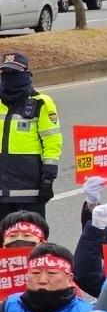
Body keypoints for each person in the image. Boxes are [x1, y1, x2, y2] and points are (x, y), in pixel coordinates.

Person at [0, 54, 60, 218]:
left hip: (29, 189)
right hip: (1, 191)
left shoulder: (41, 102)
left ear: (26, 73)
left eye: (14, 73)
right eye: (5, 73)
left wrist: (48, 177)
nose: (8, 77)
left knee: (32, 238)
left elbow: (52, 141)